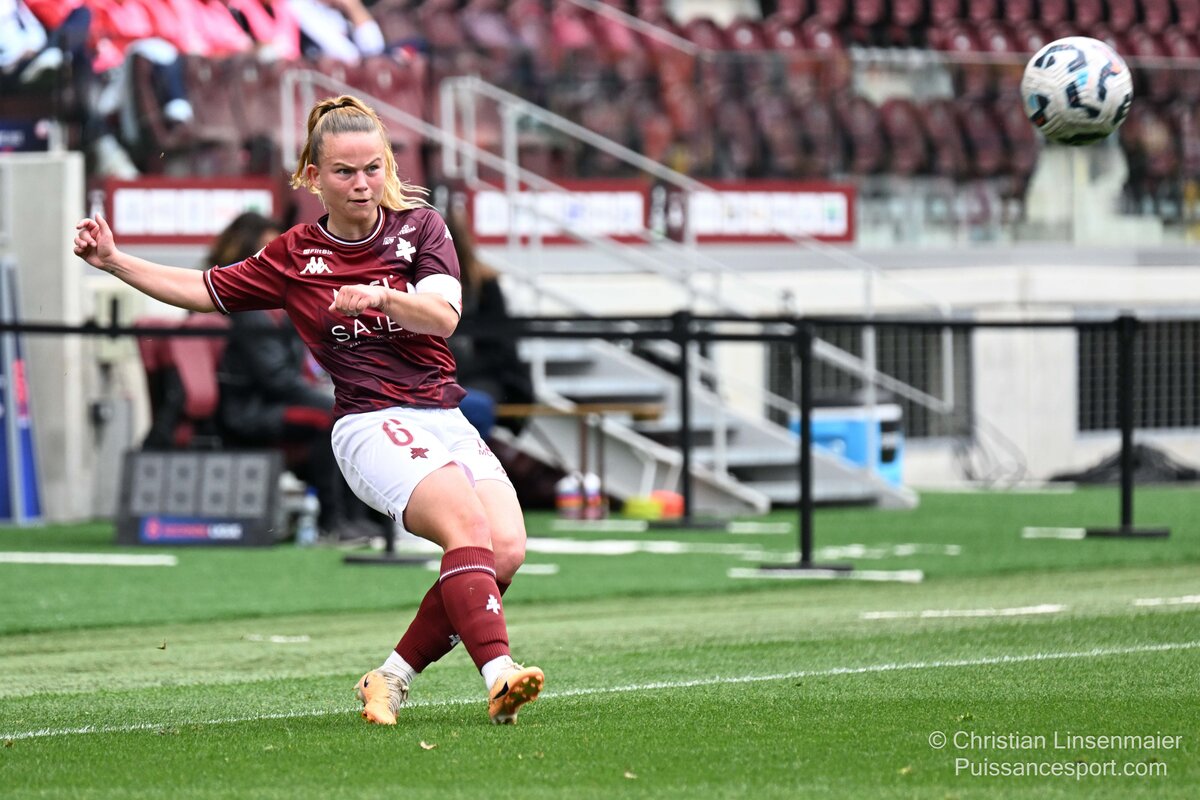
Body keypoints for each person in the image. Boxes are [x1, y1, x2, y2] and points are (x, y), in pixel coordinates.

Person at [73, 94, 544, 726]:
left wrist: (381, 297)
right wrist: (113, 260)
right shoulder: (293, 254)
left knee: (506, 549)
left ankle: (389, 678)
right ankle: (500, 674)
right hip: (370, 421)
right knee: (467, 527)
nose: (362, 183)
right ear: (314, 177)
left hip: (442, 413)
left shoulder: (421, 228)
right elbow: (203, 290)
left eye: (373, 168)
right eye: (345, 171)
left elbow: (443, 315)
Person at [207, 210, 381, 543]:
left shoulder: (279, 305)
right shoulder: (247, 308)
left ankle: (359, 519)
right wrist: (328, 397)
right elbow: (275, 379)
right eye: (267, 248)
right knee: (333, 416)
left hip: (276, 401)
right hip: (251, 411)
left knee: (351, 412)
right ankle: (333, 523)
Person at [444, 203, 534, 439]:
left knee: (468, 406)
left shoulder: (485, 285)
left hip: (479, 378)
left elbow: (500, 350)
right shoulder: (418, 282)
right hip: (442, 377)